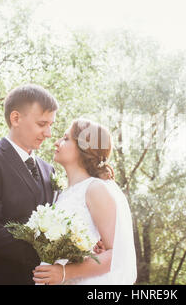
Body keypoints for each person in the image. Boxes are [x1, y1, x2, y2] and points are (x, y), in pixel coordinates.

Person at [0, 84, 70, 284]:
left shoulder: (49, 170)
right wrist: (44, 257)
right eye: (41, 124)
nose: (48, 133)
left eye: (51, 125)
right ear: (16, 118)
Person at [32, 119, 137, 285]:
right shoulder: (63, 194)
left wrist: (64, 272)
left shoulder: (95, 189)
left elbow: (116, 254)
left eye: (66, 139)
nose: (56, 142)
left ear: (84, 148)